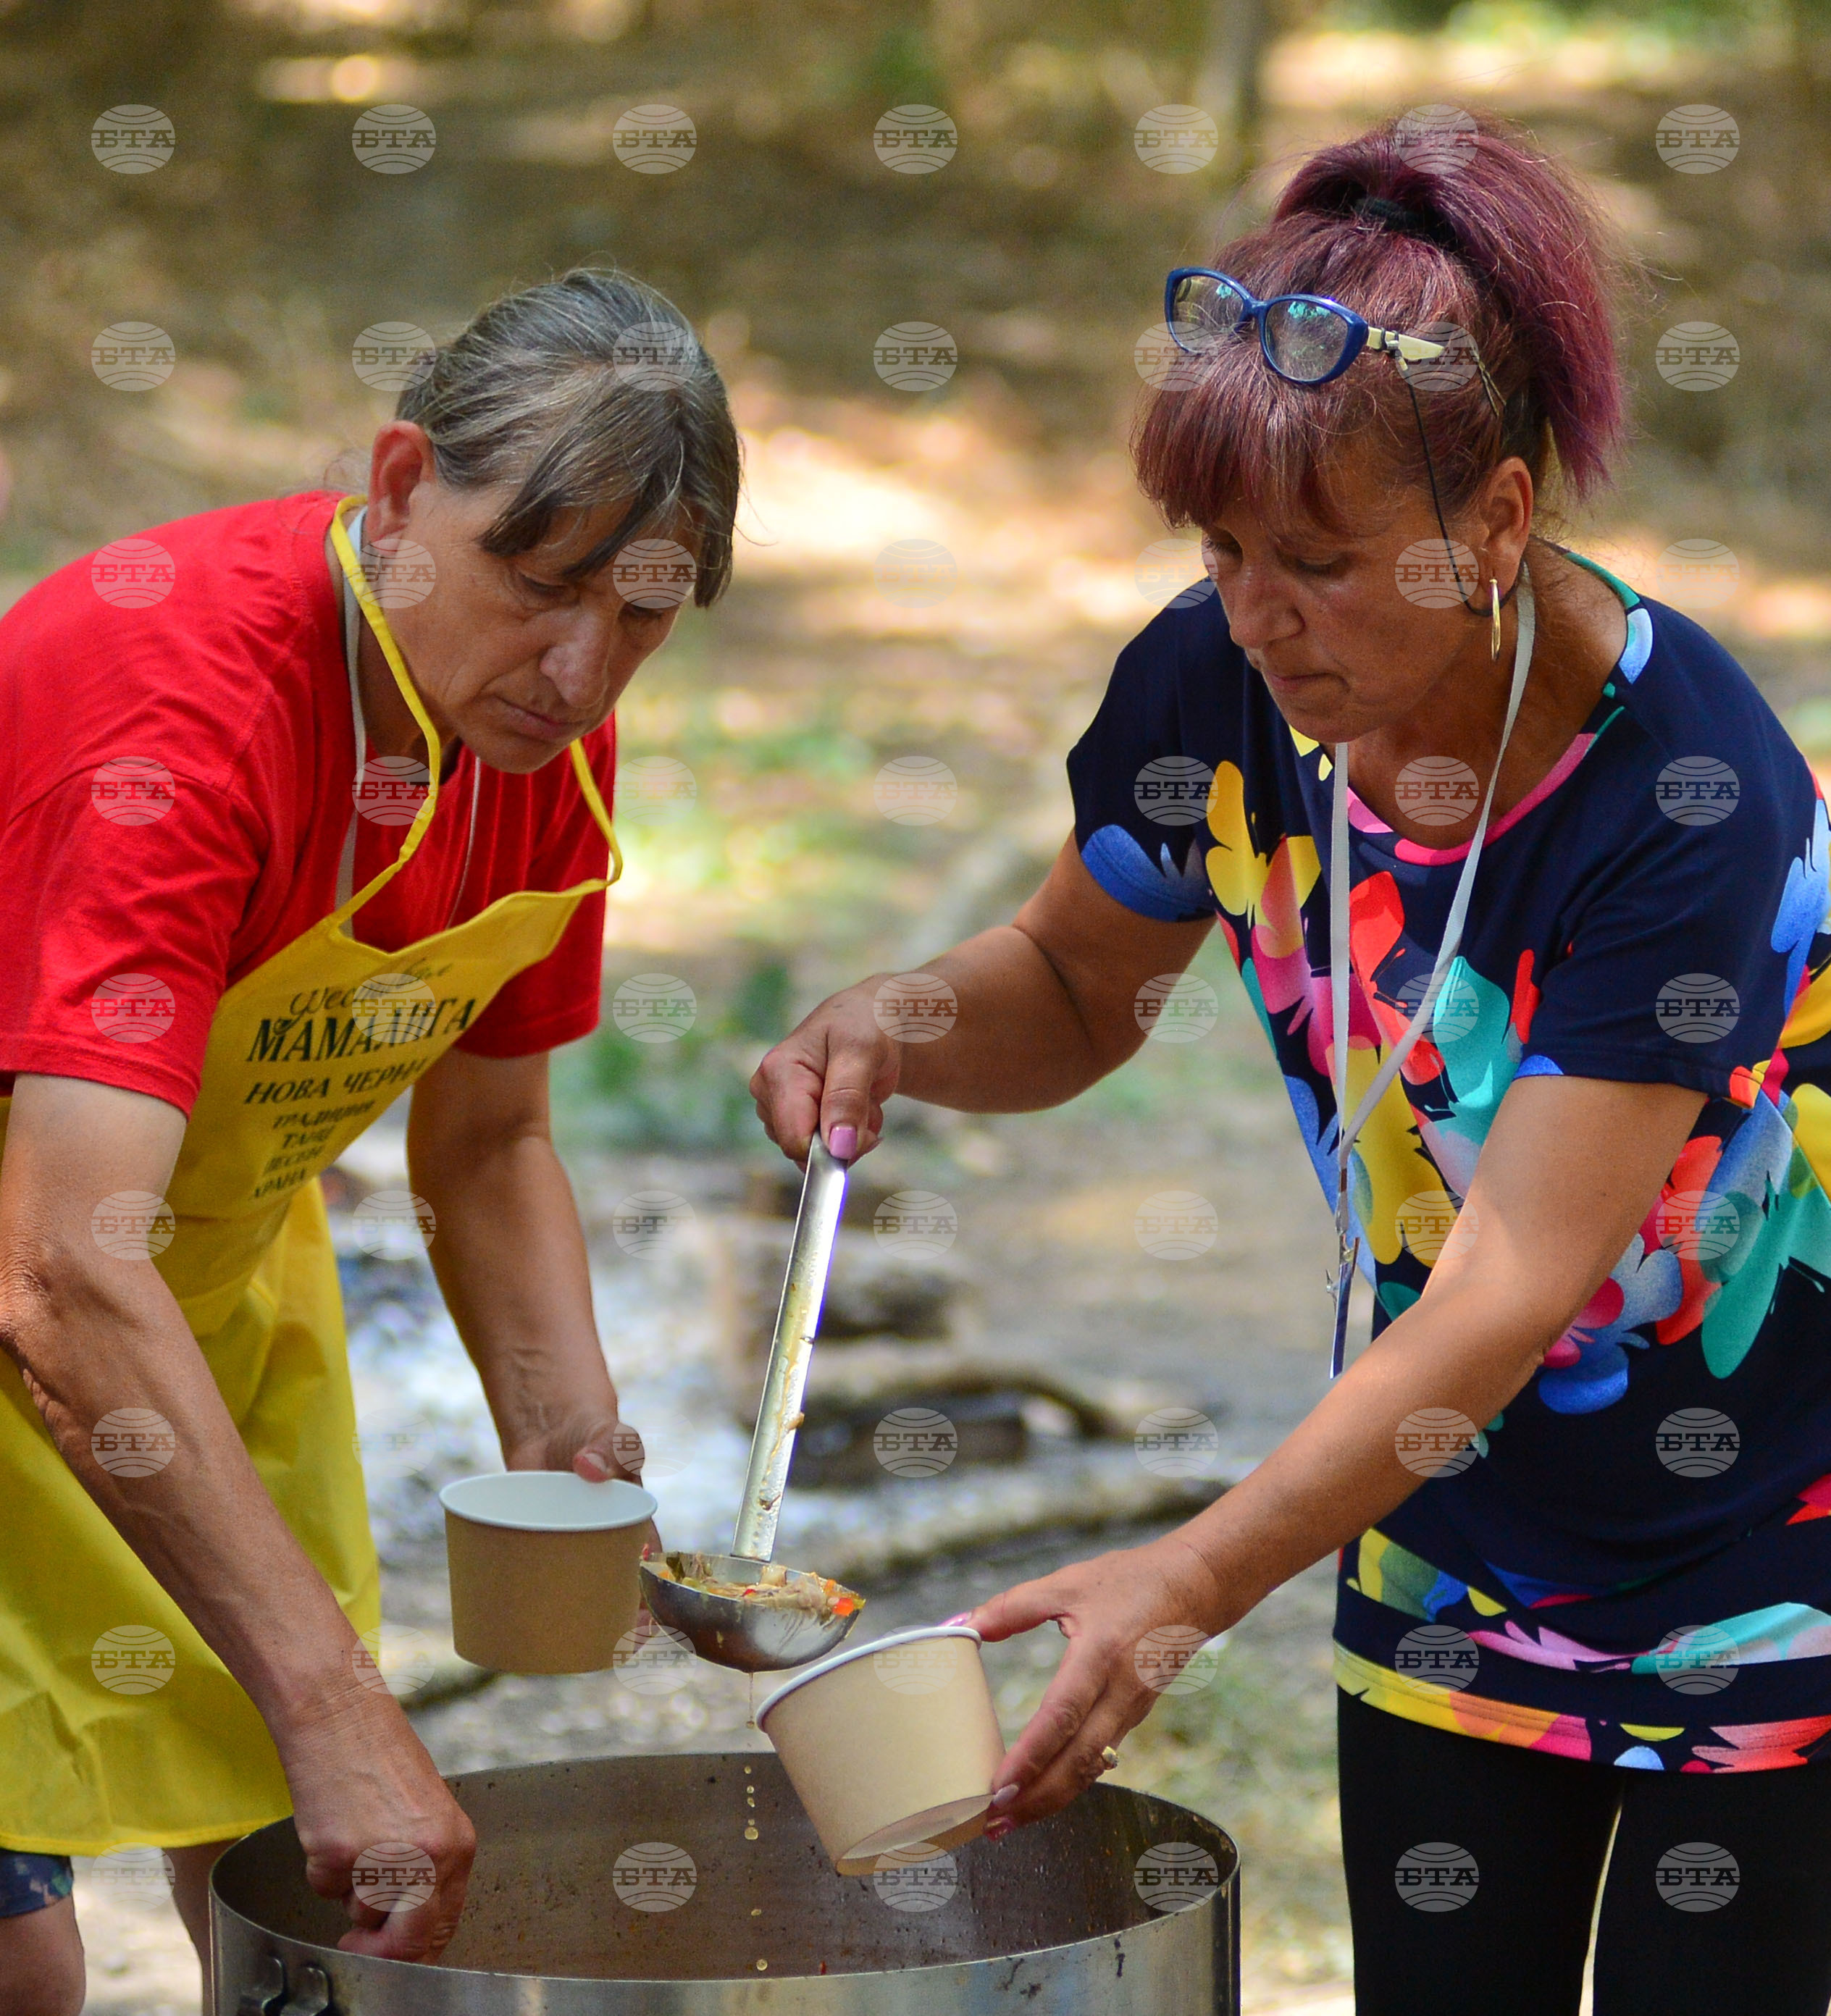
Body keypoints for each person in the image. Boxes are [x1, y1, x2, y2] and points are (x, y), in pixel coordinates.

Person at [751, 116, 1831, 2015]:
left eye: (1321, 564)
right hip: (1436, 1531)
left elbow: (1514, 1279)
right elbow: (1075, 991)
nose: (1259, 614)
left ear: (1497, 524)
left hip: (1770, 1549)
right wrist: (897, 1024)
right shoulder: (1219, 685)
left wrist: (1183, 1577)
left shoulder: (1690, 794)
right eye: (1225, 551)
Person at [0, 269, 738, 2012]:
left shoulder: (531, 730)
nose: (578, 673)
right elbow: (51, 1269)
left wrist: (572, 1459)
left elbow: (487, 1141)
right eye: (538, 589)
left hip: (207, 1296)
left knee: (317, 1912)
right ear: (402, 486)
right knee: (25, 1969)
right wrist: (333, 1706)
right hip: (62, 1281)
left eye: (642, 618)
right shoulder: (175, 712)